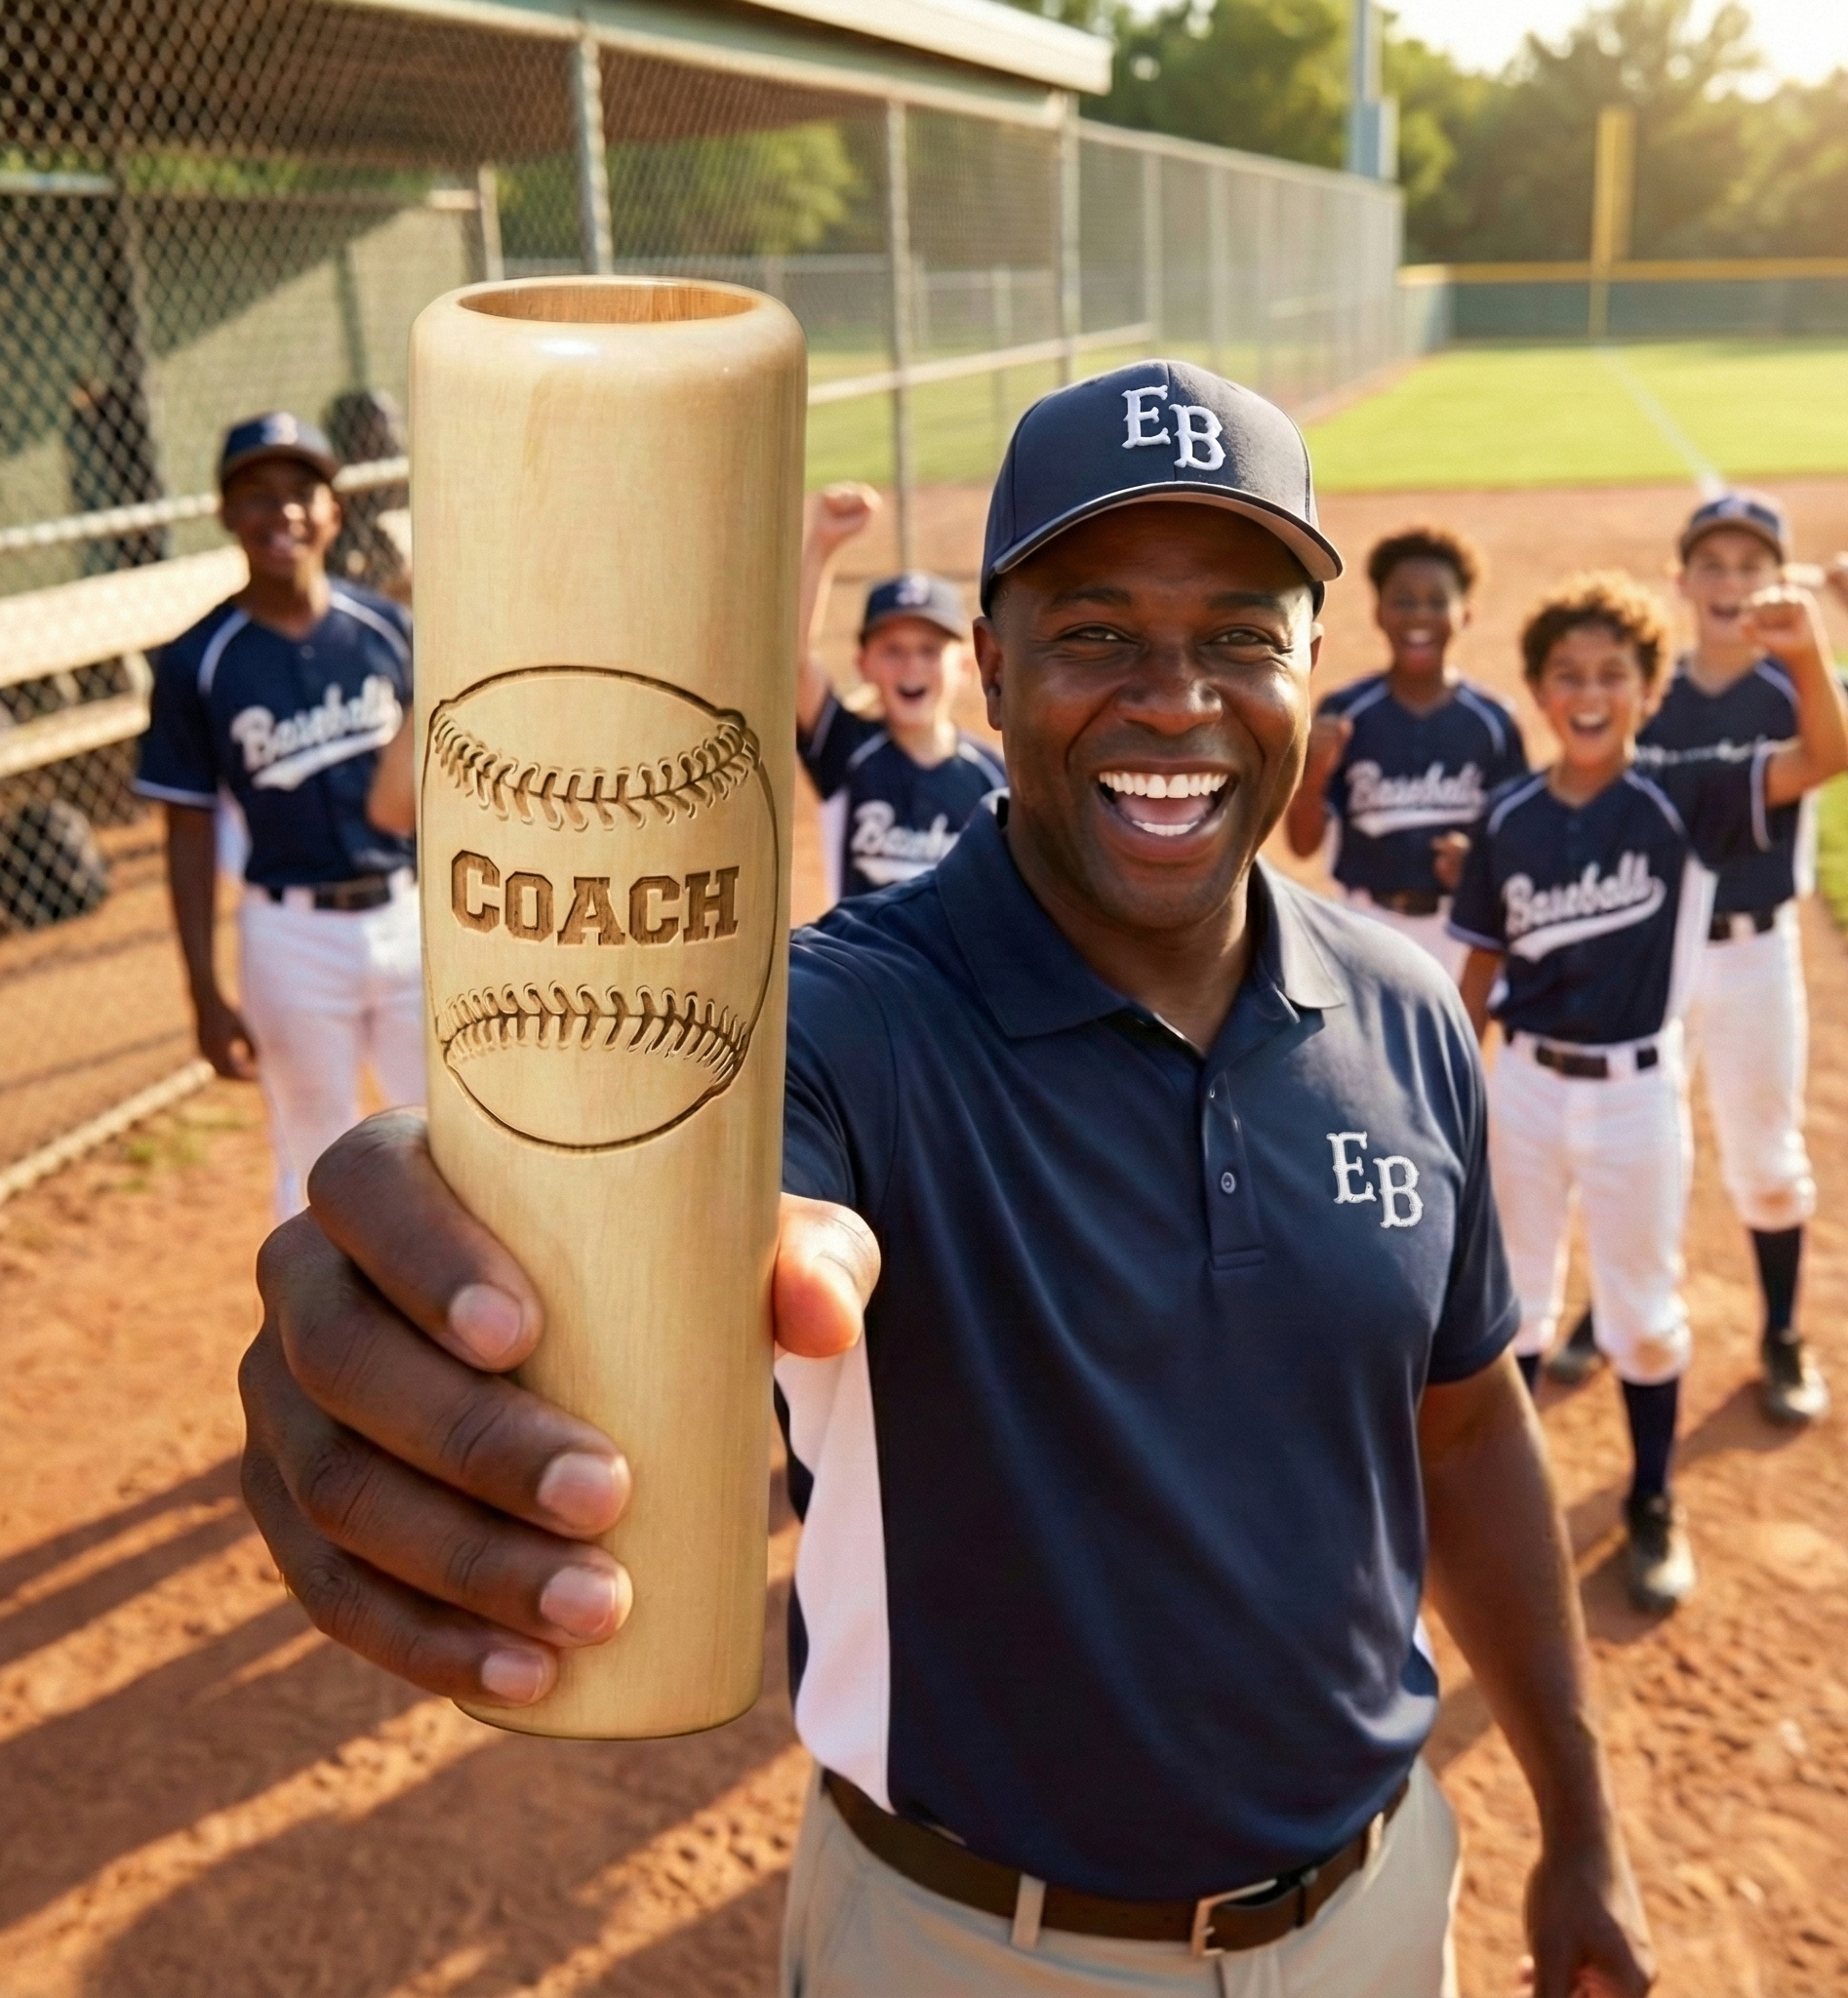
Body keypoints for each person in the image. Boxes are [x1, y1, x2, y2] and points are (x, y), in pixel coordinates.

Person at [239, 361, 1655, 1997]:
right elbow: (687, 1191)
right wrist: (451, 1286)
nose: (1175, 694)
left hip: (1377, 1907)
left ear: (1306, 668)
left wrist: (1577, 1814)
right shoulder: (834, 1019)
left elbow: (1467, 1424)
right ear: (988, 666)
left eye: (1239, 633)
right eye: (1098, 632)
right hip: (972, 1948)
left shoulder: (1403, 1010)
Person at [1449, 572, 1848, 1614]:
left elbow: (1825, 756)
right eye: (1567, 675)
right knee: (1521, 1305)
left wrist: (1806, 654)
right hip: (1529, 1087)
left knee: (1639, 1309)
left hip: (1637, 1093)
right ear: (1539, 690)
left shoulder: (1686, 790)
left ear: (1645, 686)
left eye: (1612, 674)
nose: (1588, 693)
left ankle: (1650, 1497)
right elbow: (1480, 975)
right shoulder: (1508, 816)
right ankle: (1518, 1514)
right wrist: (1452, 1093)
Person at [1543, 494, 1848, 1420]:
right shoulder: (1650, 687)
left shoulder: (1798, 683)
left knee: (1765, 1157)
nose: (1728, 582)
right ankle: (1619, 1302)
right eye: (1710, 565)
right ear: (1680, 582)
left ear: (1777, 581)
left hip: (1755, 958)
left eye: (1748, 565)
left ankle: (1783, 1331)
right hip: (1652, 956)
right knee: (1638, 1138)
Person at [135, 412, 422, 1219]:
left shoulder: (386, 630)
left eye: (302, 493)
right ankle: (323, 1338)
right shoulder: (200, 661)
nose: (283, 513)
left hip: (410, 913)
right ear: (227, 516)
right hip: (291, 938)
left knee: (458, 1136)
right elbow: (187, 831)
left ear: (333, 510)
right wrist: (203, 988)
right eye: (256, 496)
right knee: (314, 1156)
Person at [1284, 525, 1524, 978]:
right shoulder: (1346, 713)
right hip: (1363, 921)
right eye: (1403, 600)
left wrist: (1476, 866)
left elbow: (1517, 845)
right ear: (1378, 611)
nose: (1420, 615)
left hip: (1458, 925)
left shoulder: (1493, 722)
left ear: (1466, 613)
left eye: (1438, 601)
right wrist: (1313, 773)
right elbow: (1301, 845)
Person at [795, 480, 1006, 904]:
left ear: (966, 666)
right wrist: (822, 544)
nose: (912, 666)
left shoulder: (992, 777)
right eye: (893, 650)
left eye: (930, 650)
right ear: (864, 665)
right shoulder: (847, 749)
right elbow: (792, 660)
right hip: (860, 967)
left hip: (949, 972)